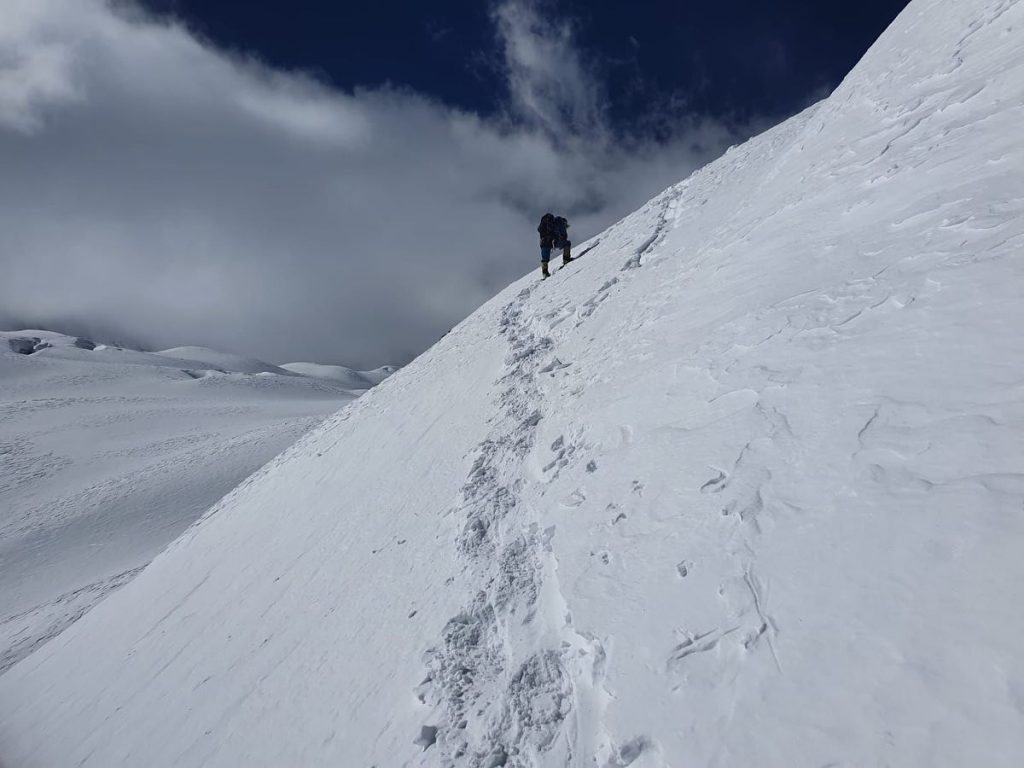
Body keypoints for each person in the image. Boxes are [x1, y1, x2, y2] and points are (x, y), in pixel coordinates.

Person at [537, 213, 573, 278]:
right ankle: (566, 259)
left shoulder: (545, 224)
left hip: (543, 242)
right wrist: (562, 239)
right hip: (553, 240)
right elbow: (563, 235)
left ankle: (545, 273)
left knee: (545, 258)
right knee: (567, 243)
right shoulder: (560, 222)